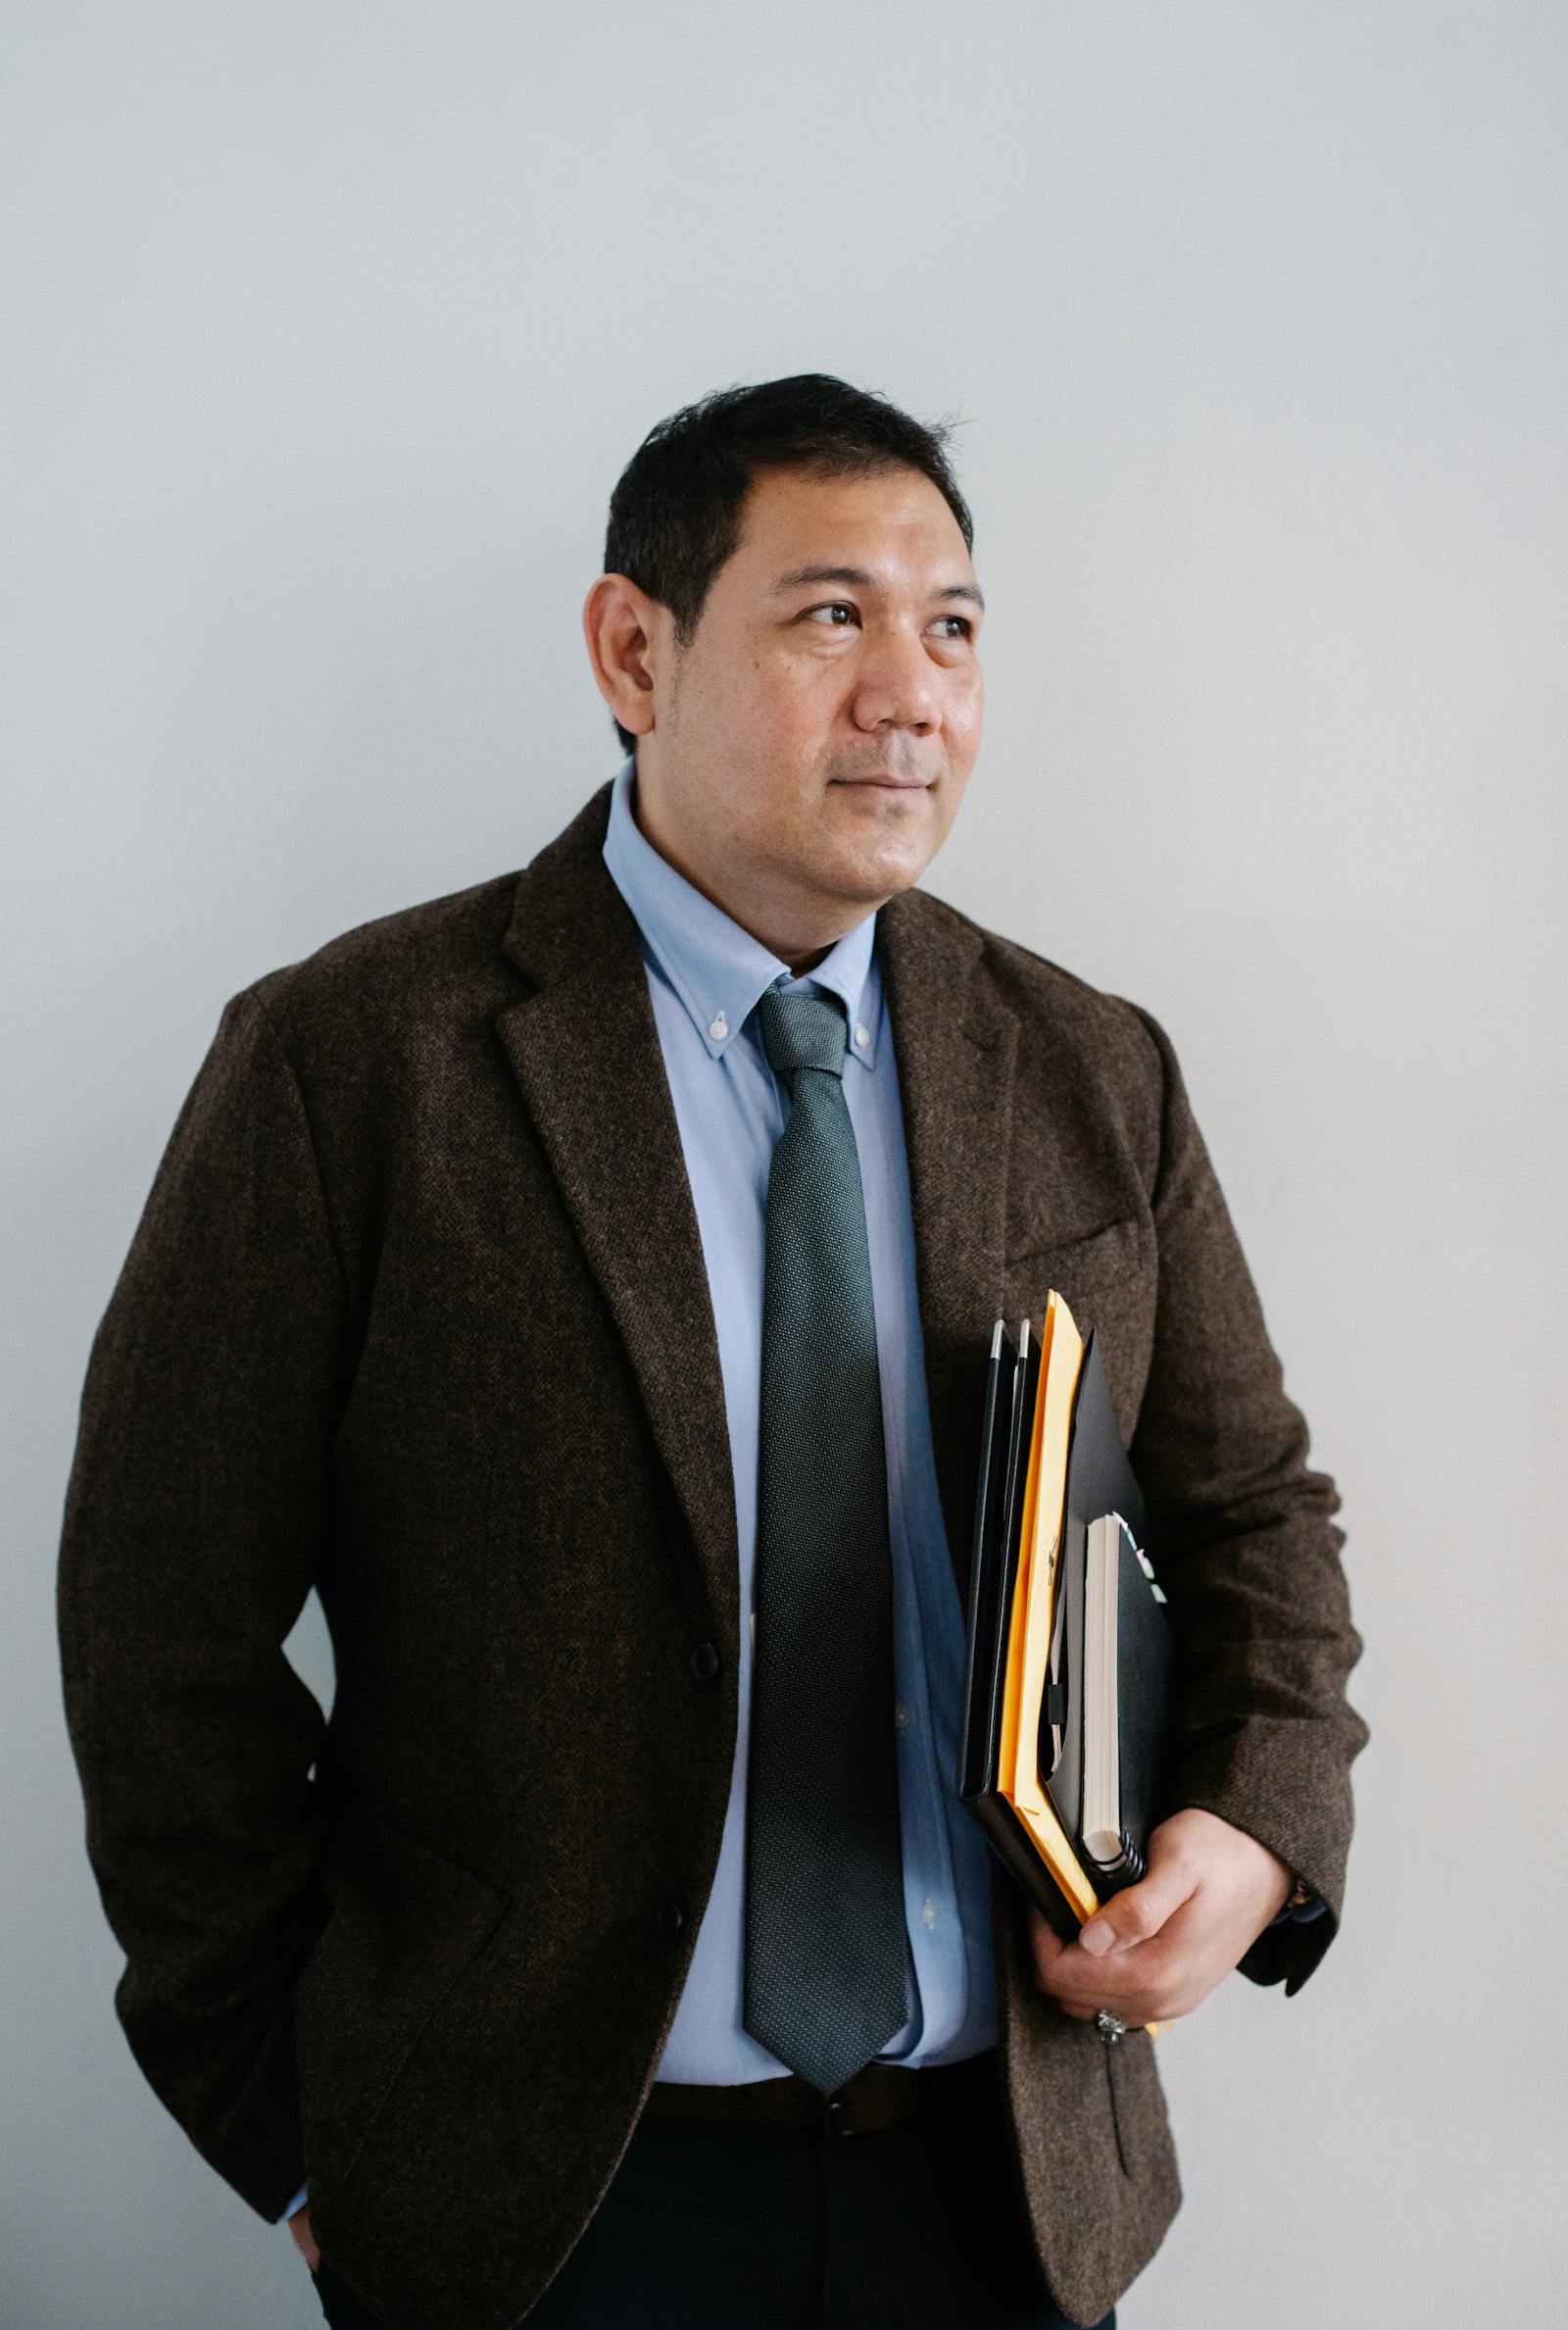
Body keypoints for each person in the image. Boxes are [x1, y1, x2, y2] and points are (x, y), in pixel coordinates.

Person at [57, 372, 1369, 2330]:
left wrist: (1257, 1831)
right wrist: (302, 2127)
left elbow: (1256, 1518)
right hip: (542, 2206)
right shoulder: (355, 1064)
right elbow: (160, 1623)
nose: (908, 692)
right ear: (632, 645)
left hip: (1003, 2183)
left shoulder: (1085, 1064)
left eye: (950, 628)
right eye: (828, 614)